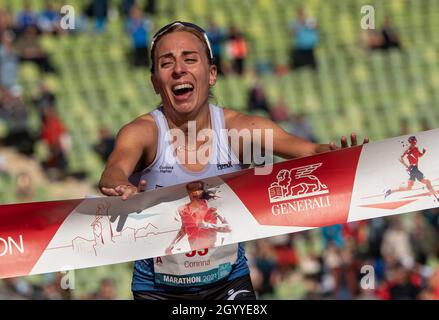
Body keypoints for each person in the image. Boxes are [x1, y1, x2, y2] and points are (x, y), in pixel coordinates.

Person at [99, 21, 366, 300]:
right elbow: (114, 170)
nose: (179, 69)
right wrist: (120, 185)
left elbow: (309, 151)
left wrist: (340, 154)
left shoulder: (238, 128)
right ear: (155, 82)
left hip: (228, 284)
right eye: (166, 63)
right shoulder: (142, 133)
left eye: (190, 59)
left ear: (212, 74)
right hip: (158, 291)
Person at [165, 181, 231, 255]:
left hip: (213, 251)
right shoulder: (183, 210)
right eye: (192, 189)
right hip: (194, 254)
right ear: (188, 192)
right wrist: (172, 245)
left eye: (198, 189)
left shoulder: (213, 206)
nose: (195, 192)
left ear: (202, 190)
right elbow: (184, 229)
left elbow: (228, 228)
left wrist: (207, 225)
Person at [385, 136, 439, 201]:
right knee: (427, 182)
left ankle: (390, 191)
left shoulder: (416, 148)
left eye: (415, 141)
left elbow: (419, 155)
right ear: (410, 142)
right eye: (413, 141)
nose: (414, 142)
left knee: (409, 188)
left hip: (413, 169)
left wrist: (423, 153)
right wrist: (406, 165)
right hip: (413, 168)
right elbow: (400, 157)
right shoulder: (408, 150)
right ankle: (435, 196)